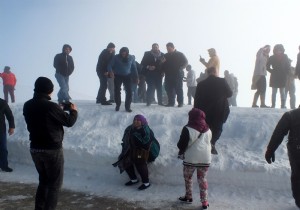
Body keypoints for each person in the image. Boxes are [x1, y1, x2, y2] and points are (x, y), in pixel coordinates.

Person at [23, 77, 78, 210]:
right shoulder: (50, 106)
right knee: (54, 185)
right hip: (52, 150)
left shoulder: (27, 105)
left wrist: (57, 109)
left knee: (43, 181)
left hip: (35, 149)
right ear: (50, 90)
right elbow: (69, 122)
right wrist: (73, 110)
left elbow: (43, 115)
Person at [265, 106, 300, 208]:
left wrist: (270, 150)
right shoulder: (290, 115)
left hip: (296, 151)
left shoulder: (291, 115)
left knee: (297, 177)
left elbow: (278, 133)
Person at [113, 114, 160, 191]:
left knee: (139, 161)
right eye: (134, 120)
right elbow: (125, 139)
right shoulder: (130, 129)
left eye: (138, 120)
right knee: (124, 158)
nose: (136, 121)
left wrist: (136, 136)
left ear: (142, 121)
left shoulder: (146, 130)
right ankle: (134, 179)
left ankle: (146, 183)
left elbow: (146, 143)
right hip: (134, 149)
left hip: (148, 151)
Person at [177, 108, 211, 209]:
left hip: (190, 159)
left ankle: (188, 197)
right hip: (205, 159)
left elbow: (181, 144)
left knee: (188, 178)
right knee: (202, 179)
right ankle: (204, 202)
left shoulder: (187, 128)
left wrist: (181, 150)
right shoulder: (208, 129)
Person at [194, 67, 232, 155]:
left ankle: (205, 144)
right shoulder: (222, 81)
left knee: (206, 128)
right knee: (218, 129)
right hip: (219, 110)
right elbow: (230, 93)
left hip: (204, 111)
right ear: (215, 72)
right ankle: (212, 143)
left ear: (208, 73)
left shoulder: (201, 84)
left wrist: (196, 111)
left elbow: (197, 99)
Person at [108, 47, 138, 112]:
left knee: (129, 91)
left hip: (127, 76)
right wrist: (110, 72)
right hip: (117, 75)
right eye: (122, 53)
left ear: (127, 53)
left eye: (125, 53)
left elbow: (134, 68)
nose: (123, 54)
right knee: (117, 90)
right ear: (120, 53)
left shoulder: (131, 58)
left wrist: (136, 77)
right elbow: (109, 65)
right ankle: (118, 104)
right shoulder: (116, 57)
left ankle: (127, 107)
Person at [161, 42, 188, 107]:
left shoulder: (180, 54)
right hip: (168, 74)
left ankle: (180, 102)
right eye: (167, 49)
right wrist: (162, 69)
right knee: (168, 88)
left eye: (169, 49)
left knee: (178, 88)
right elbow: (162, 64)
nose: (168, 50)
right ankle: (171, 102)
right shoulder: (165, 55)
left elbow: (186, 62)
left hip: (177, 74)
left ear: (173, 47)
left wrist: (180, 68)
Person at [267, 44, 290, 109]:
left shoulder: (285, 56)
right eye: (277, 50)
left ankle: (283, 105)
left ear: (282, 50)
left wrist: (287, 73)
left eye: (280, 50)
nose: (278, 51)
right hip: (274, 76)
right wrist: (272, 71)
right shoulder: (272, 57)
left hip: (283, 76)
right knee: (274, 92)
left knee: (282, 92)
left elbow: (288, 66)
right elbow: (267, 66)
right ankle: (273, 105)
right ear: (275, 50)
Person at [0, 98, 15, 172]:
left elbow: (9, 114)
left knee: (3, 148)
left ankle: (4, 166)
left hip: (1, 130)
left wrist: (11, 126)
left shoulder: (2, 102)